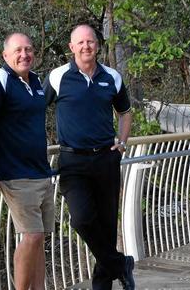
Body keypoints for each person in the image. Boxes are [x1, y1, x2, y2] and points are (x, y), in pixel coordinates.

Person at [43, 24, 135, 290]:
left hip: (106, 159)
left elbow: (125, 112)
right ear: (71, 48)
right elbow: (35, 109)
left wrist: (122, 142)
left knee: (106, 225)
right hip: (73, 161)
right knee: (82, 219)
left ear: (97, 45)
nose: (86, 47)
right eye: (80, 43)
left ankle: (102, 285)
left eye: (90, 42)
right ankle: (120, 264)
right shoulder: (59, 77)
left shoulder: (112, 77)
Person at [0, 33, 53, 290]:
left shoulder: (36, 81)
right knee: (31, 235)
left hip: (41, 171)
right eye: (18, 50)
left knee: (39, 238)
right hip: (15, 173)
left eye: (28, 49)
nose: (24, 54)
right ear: (5, 55)